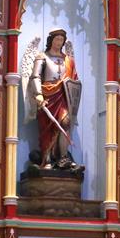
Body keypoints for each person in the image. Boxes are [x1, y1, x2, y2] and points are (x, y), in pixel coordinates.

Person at [30, 28, 81, 169]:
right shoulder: (42, 57)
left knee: (65, 122)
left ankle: (63, 158)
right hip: (47, 97)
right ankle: (46, 159)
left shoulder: (68, 61)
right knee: (47, 128)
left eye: (61, 40)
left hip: (62, 96)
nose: (59, 42)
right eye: (57, 39)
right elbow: (35, 76)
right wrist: (38, 94)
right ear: (51, 40)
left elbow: (74, 81)